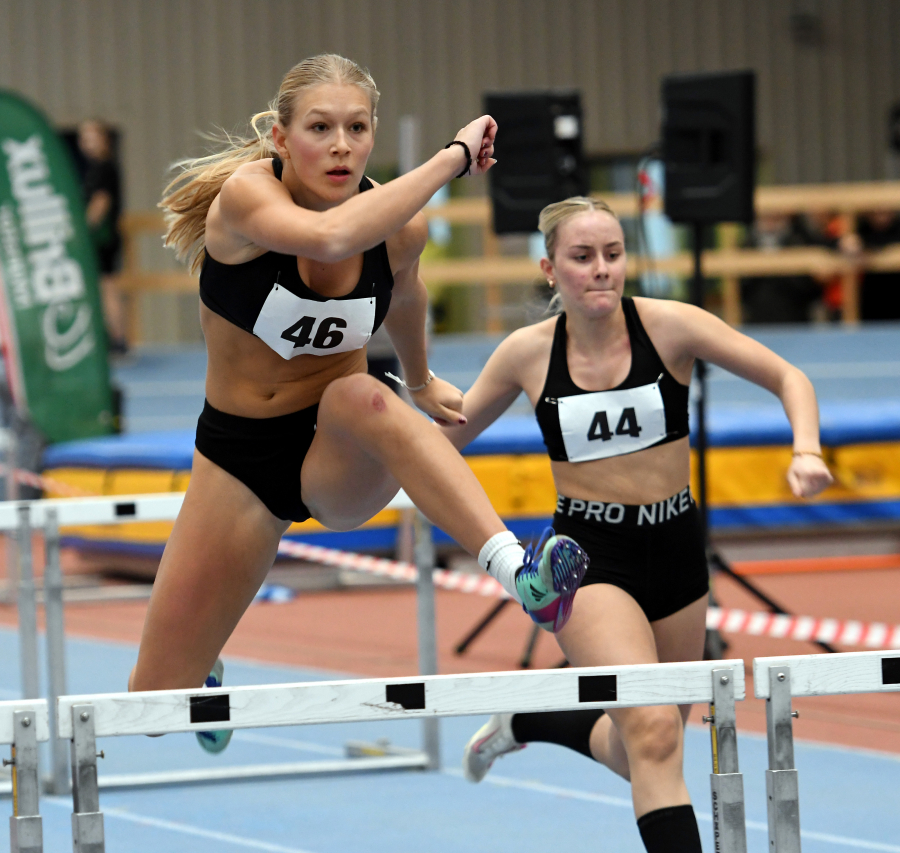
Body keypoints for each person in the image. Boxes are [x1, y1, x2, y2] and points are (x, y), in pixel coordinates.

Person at [129, 55, 589, 752]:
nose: (341, 145)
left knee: (361, 392)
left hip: (336, 447)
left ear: (373, 137)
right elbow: (330, 236)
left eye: (356, 127)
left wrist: (424, 376)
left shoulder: (401, 230)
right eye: (320, 127)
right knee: (150, 709)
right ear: (282, 139)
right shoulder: (246, 201)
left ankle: (516, 569)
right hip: (241, 458)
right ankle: (203, 666)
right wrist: (455, 157)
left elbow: (406, 296)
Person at [443, 196, 834, 853]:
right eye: (583, 257)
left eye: (613, 255)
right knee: (652, 734)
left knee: (639, 748)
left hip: (677, 549)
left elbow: (788, 375)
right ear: (549, 268)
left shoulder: (670, 326)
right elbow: (442, 446)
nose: (601, 271)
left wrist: (806, 449)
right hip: (589, 560)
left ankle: (533, 717)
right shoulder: (528, 355)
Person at [77, 119, 128, 354]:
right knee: (103, 287)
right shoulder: (94, 168)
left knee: (107, 286)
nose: (86, 143)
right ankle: (112, 337)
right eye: (83, 138)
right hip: (100, 239)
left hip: (102, 240)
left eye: (91, 137)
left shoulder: (104, 169)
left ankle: (117, 340)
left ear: (104, 139)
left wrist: (83, 231)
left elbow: (101, 203)